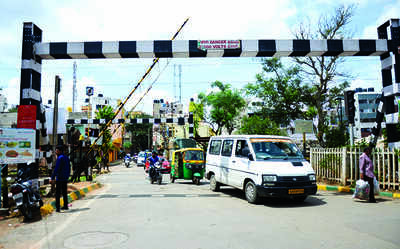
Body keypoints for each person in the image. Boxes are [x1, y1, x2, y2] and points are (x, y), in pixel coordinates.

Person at [51, 145, 71, 212]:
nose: (55, 151)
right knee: (64, 192)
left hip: (60, 178)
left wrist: (53, 177)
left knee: (58, 193)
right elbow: (69, 167)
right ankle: (65, 206)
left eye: (56, 150)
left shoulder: (60, 158)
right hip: (65, 177)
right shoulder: (66, 157)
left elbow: (57, 168)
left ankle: (58, 208)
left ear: (59, 151)